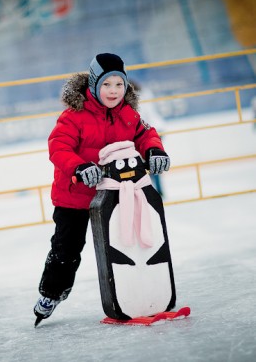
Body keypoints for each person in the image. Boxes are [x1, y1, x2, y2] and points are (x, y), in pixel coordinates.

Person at [33, 53, 170, 326]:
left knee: (125, 245)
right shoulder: (74, 116)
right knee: (67, 249)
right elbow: (58, 147)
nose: (114, 91)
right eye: (107, 85)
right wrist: (79, 167)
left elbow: (147, 134)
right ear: (95, 85)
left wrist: (155, 150)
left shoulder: (128, 115)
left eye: (119, 85)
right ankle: (52, 292)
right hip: (74, 197)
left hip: (114, 195)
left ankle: (134, 294)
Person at [131, 80, 166, 196]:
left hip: (149, 132)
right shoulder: (146, 93)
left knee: (146, 162)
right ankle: (159, 190)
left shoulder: (135, 100)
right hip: (158, 128)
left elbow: (142, 118)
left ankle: (153, 191)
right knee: (153, 161)